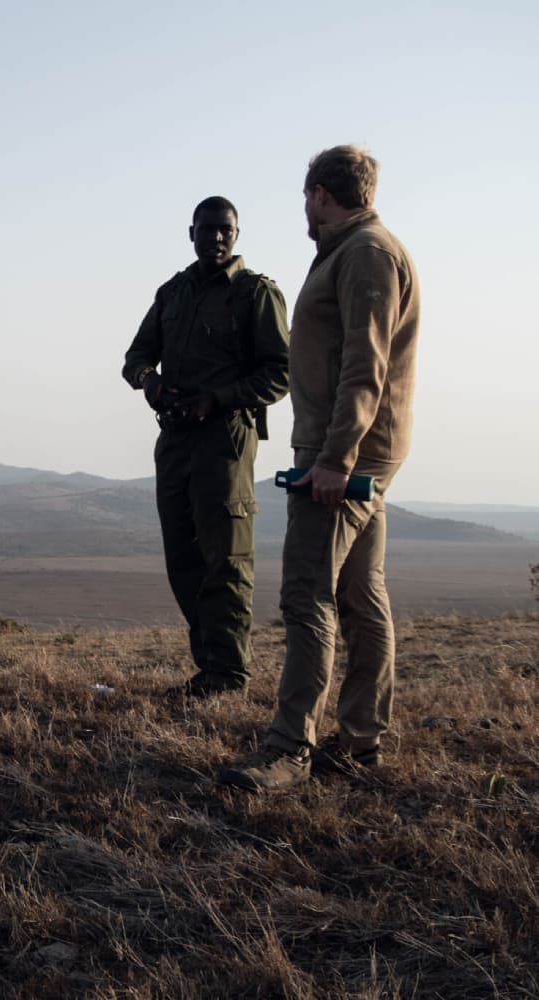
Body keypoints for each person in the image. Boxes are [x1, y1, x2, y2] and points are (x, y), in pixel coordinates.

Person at [222, 146, 421, 792]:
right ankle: (361, 741)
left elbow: (367, 363)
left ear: (321, 195)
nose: (305, 210)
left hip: (343, 453)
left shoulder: (367, 254)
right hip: (351, 448)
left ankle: (289, 750)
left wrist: (335, 458)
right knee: (361, 594)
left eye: (307, 198)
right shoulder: (353, 250)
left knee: (307, 594)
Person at [123, 197, 290, 697]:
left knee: (227, 558)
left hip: (226, 440)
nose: (216, 238)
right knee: (183, 556)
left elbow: (280, 374)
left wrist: (217, 400)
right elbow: (136, 356)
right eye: (208, 229)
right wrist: (149, 381)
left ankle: (229, 673)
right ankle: (211, 665)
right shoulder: (173, 292)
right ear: (191, 232)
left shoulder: (255, 294)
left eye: (225, 230)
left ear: (236, 235)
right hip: (175, 439)